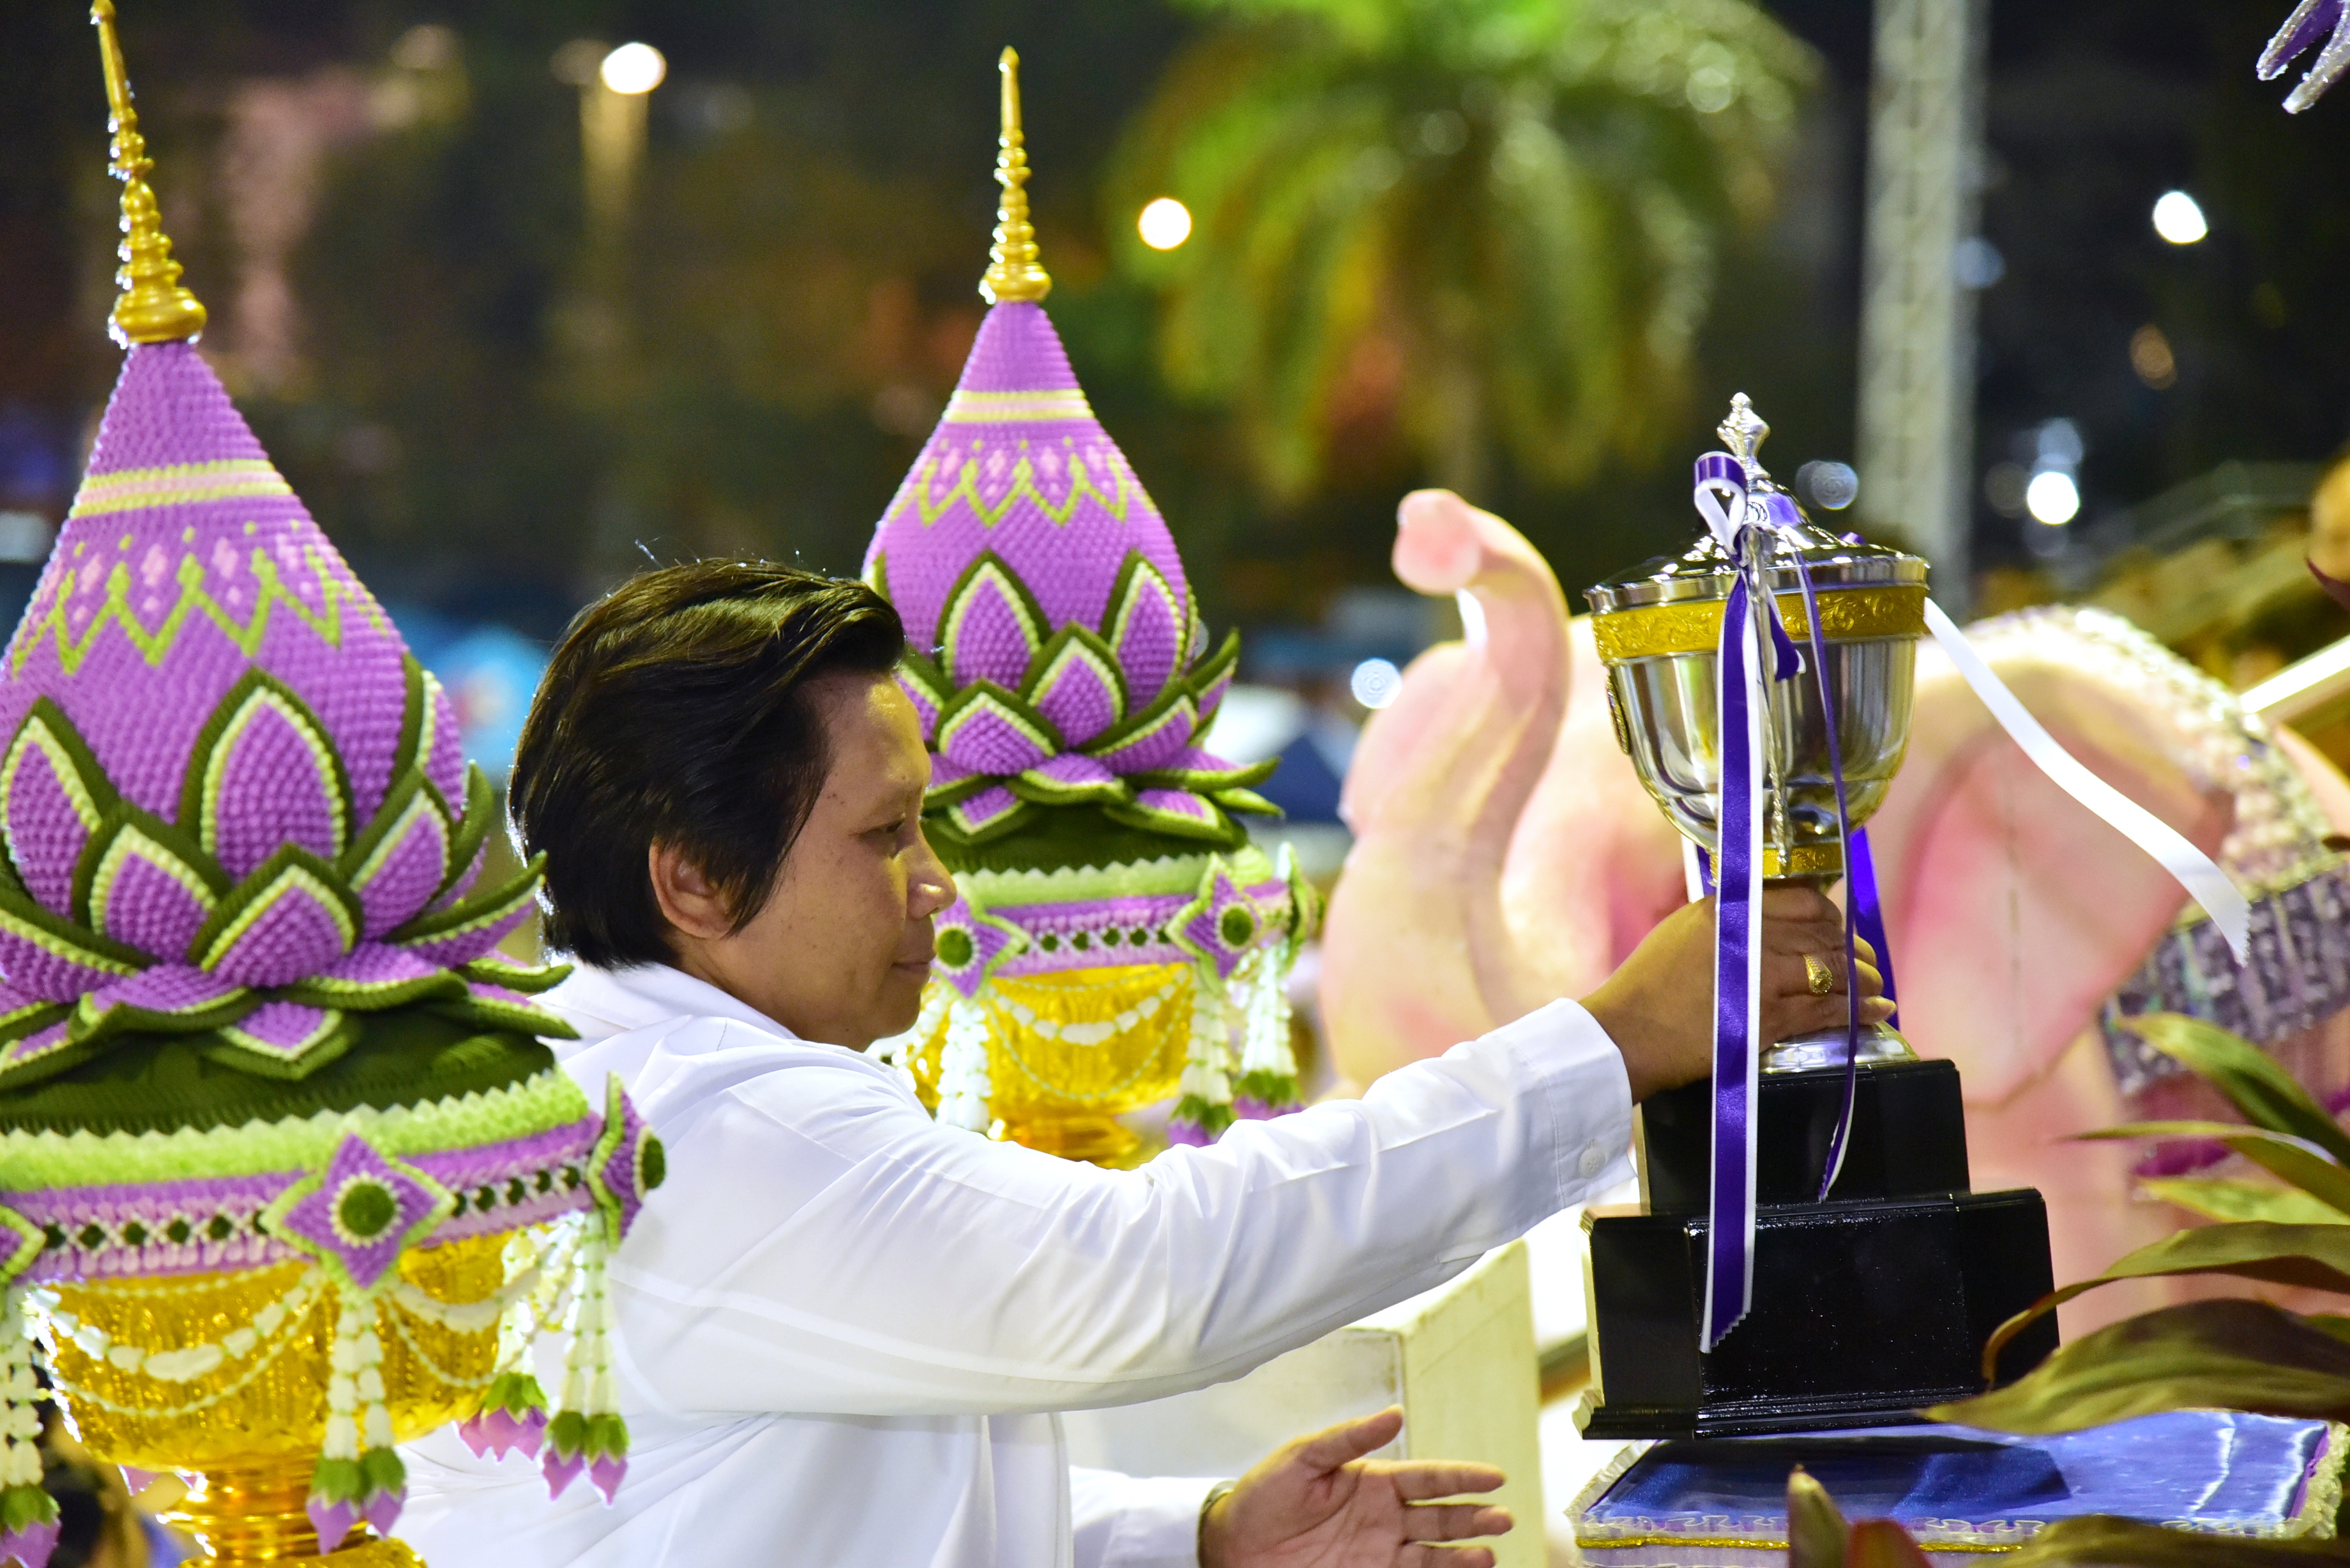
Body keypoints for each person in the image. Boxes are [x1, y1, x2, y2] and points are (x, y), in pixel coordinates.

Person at [398, 562, 1889, 1568]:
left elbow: (857, 1499)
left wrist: (1197, 1536)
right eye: (883, 833)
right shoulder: (696, 1129)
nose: (937, 884)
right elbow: (1152, 1270)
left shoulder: (645, 1077)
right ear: (693, 879)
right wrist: (1610, 1043)